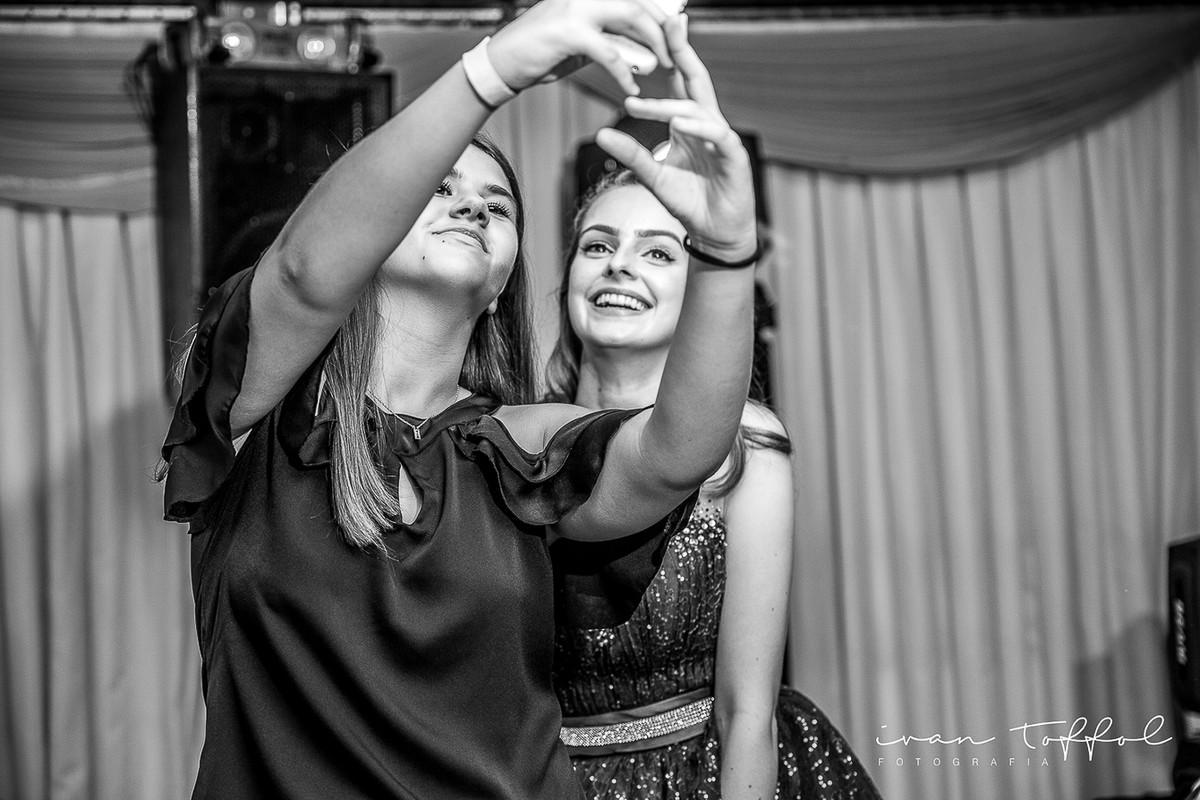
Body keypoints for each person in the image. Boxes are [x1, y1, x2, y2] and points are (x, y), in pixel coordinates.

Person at [157, 2, 762, 798]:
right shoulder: (259, 415)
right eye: (438, 188)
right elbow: (303, 275)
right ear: (370, 228)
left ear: (505, 279)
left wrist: (724, 251)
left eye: (497, 205)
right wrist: (491, 71)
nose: (472, 206)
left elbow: (679, 453)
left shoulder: (519, 446)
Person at [546, 169, 884, 799]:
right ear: (569, 278)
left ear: (704, 293)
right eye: (598, 245)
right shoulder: (516, 442)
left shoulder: (746, 448)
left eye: (657, 252)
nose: (619, 264)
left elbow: (746, 712)